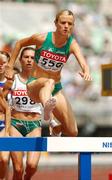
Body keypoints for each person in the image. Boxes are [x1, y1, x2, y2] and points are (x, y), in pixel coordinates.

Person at [5, 9, 92, 137]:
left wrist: (86, 71)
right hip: (34, 85)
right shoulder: (42, 38)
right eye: (63, 23)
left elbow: (83, 62)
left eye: (70, 24)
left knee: (73, 131)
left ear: (73, 26)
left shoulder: (72, 44)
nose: (66, 26)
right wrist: (10, 65)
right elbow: (19, 43)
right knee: (48, 82)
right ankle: (50, 120)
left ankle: (56, 128)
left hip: (55, 89)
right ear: (56, 23)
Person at [8, 47, 43, 180]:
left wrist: (52, 120)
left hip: (34, 124)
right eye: (26, 57)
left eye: (32, 58)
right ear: (20, 60)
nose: (29, 60)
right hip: (16, 124)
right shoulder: (12, 79)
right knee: (17, 169)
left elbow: (49, 102)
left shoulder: (40, 81)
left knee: (32, 165)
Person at [0, 51, 11, 180]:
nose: (0, 65)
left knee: (4, 159)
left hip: (6, 124)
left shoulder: (12, 82)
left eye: (3, 63)